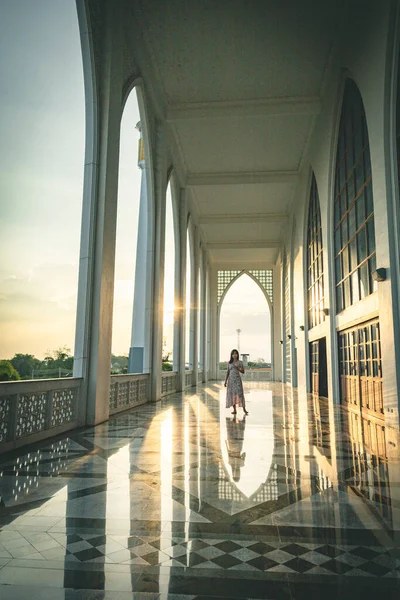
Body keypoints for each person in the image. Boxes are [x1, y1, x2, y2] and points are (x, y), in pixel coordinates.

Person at [224, 349, 248, 416]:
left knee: (240, 394)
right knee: (232, 395)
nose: (234, 355)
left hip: (237, 380)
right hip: (231, 381)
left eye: (236, 353)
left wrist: (238, 368)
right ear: (231, 355)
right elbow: (228, 372)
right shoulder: (229, 363)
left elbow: (243, 371)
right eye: (233, 354)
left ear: (237, 355)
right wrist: (225, 381)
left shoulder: (240, 362)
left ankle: (244, 409)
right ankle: (234, 410)